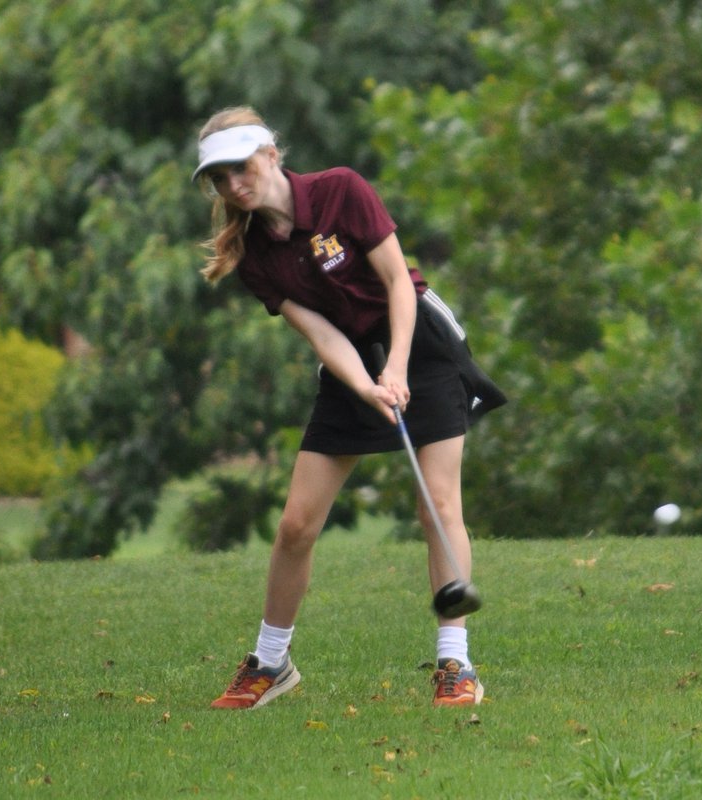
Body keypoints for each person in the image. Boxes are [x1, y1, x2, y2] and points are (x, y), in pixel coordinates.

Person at [193, 106, 505, 709]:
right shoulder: (254, 254)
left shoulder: (341, 190)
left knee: (437, 503)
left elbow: (397, 284)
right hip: (349, 363)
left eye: (241, 168)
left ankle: (455, 666)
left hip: (423, 343)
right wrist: (365, 385)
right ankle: (271, 663)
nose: (234, 185)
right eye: (219, 178)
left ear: (271, 154)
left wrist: (396, 365)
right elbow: (320, 333)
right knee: (296, 524)